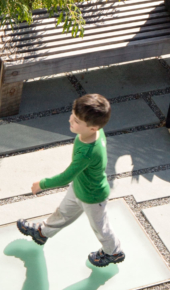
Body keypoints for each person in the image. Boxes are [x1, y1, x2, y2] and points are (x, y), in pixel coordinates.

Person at [17, 93, 125, 269]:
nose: (70, 120)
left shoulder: (87, 153)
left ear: (92, 128)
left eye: (76, 121)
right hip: (80, 186)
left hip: (92, 196)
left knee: (100, 227)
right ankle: (42, 233)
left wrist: (41, 184)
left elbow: (65, 177)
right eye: (72, 116)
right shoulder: (95, 131)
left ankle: (114, 252)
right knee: (63, 213)